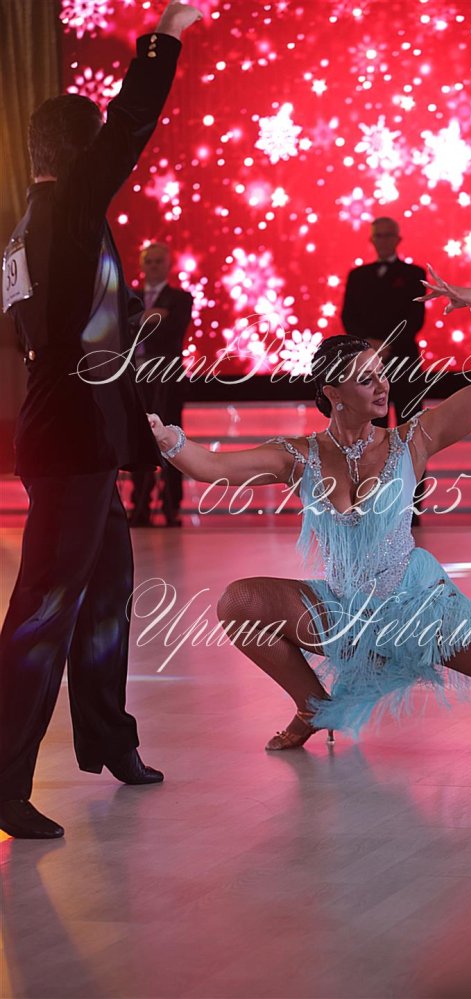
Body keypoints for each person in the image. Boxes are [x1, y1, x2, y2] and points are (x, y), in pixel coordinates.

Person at [148, 271, 471, 752]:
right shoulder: (299, 455)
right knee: (239, 602)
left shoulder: (411, 439)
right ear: (332, 393)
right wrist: (168, 439)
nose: (382, 386)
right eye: (365, 379)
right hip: (344, 611)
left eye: (382, 374)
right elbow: (210, 466)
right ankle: (314, 708)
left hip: (419, 607)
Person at [0, 2, 203, 840]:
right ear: (80, 157)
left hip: (75, 432)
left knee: (109, 588)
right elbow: (132, 121)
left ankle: (110, 737)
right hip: (72, 436)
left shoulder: (25, 224)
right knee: (44, 607)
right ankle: (4, 778)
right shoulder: (68, 209)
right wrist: (168, 34)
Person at [130, 241, 193, 527]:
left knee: (172, 439)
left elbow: (173, 331)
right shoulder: (130, 297)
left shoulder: (180, 298)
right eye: (149, 261)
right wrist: (153, 318)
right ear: (142, 265)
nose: (153, 266)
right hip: (137, 379)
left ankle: (171, 505)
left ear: (168, 265)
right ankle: (140, 505)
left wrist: (141, 321)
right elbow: (124, 330)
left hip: (166, 379)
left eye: (158, 261)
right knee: (138, 440)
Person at [341, 217, 426, 426]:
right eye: (378, 236)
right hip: (367, 362)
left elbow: (415, 318)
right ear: (372, 239)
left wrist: (387, 345)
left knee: (410, 423)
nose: (383, 241)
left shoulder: (414, 274)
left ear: (398, 239)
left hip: (403, 358)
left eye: (388, 235)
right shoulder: (358, 276)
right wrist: (369, 345)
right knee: (372, 425)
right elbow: (348, 316)